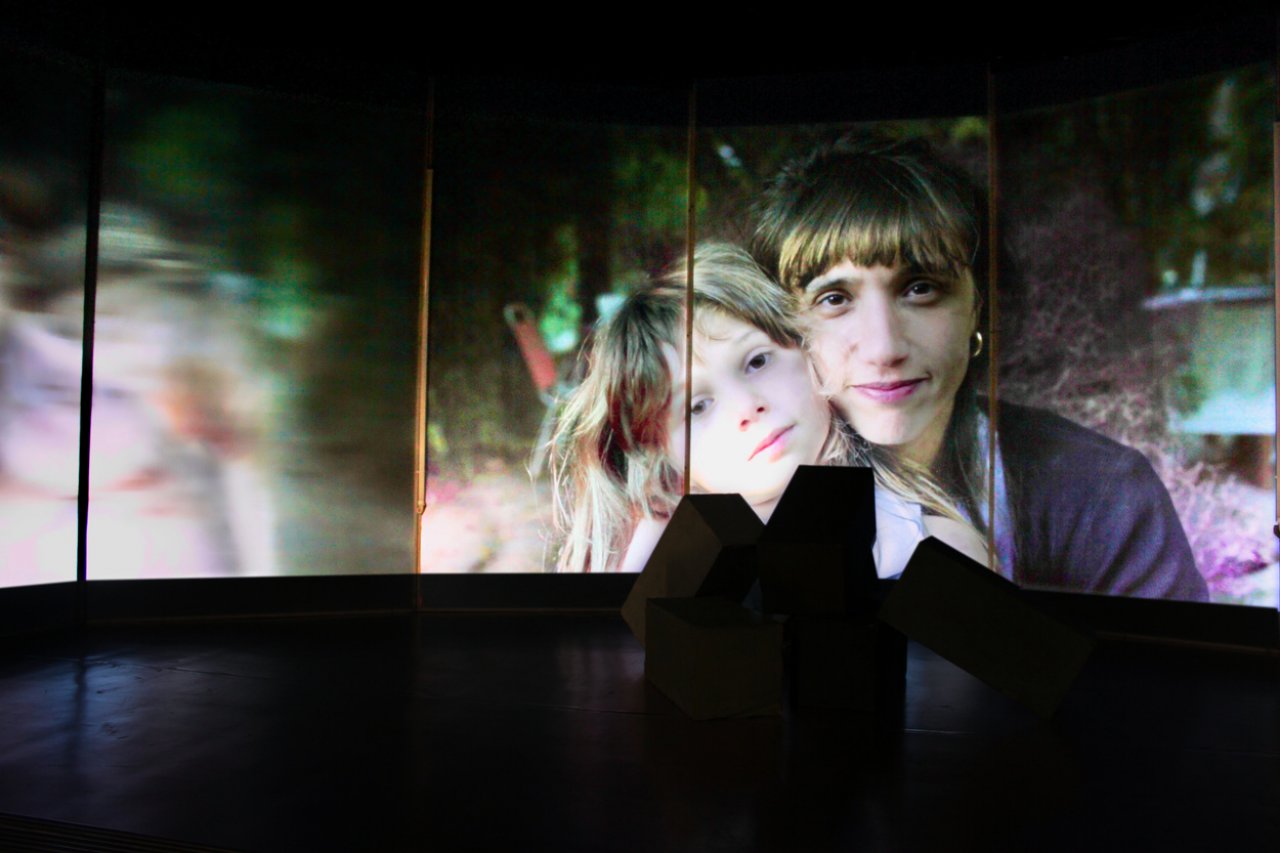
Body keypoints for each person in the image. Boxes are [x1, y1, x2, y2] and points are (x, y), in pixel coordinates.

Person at [754, 133, 1209, 601]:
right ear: (778, 326)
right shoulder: (746, 483)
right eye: (834, 299)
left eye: (920, 289)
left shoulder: (1103, 492)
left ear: (978, 306)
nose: (884, 347)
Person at [551, 242, 987, 574]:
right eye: (697, 406)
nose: (747, 407)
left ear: (806, 348)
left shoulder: (931, 545)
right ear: (660, 450)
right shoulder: (665, 556)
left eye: (757, 362)